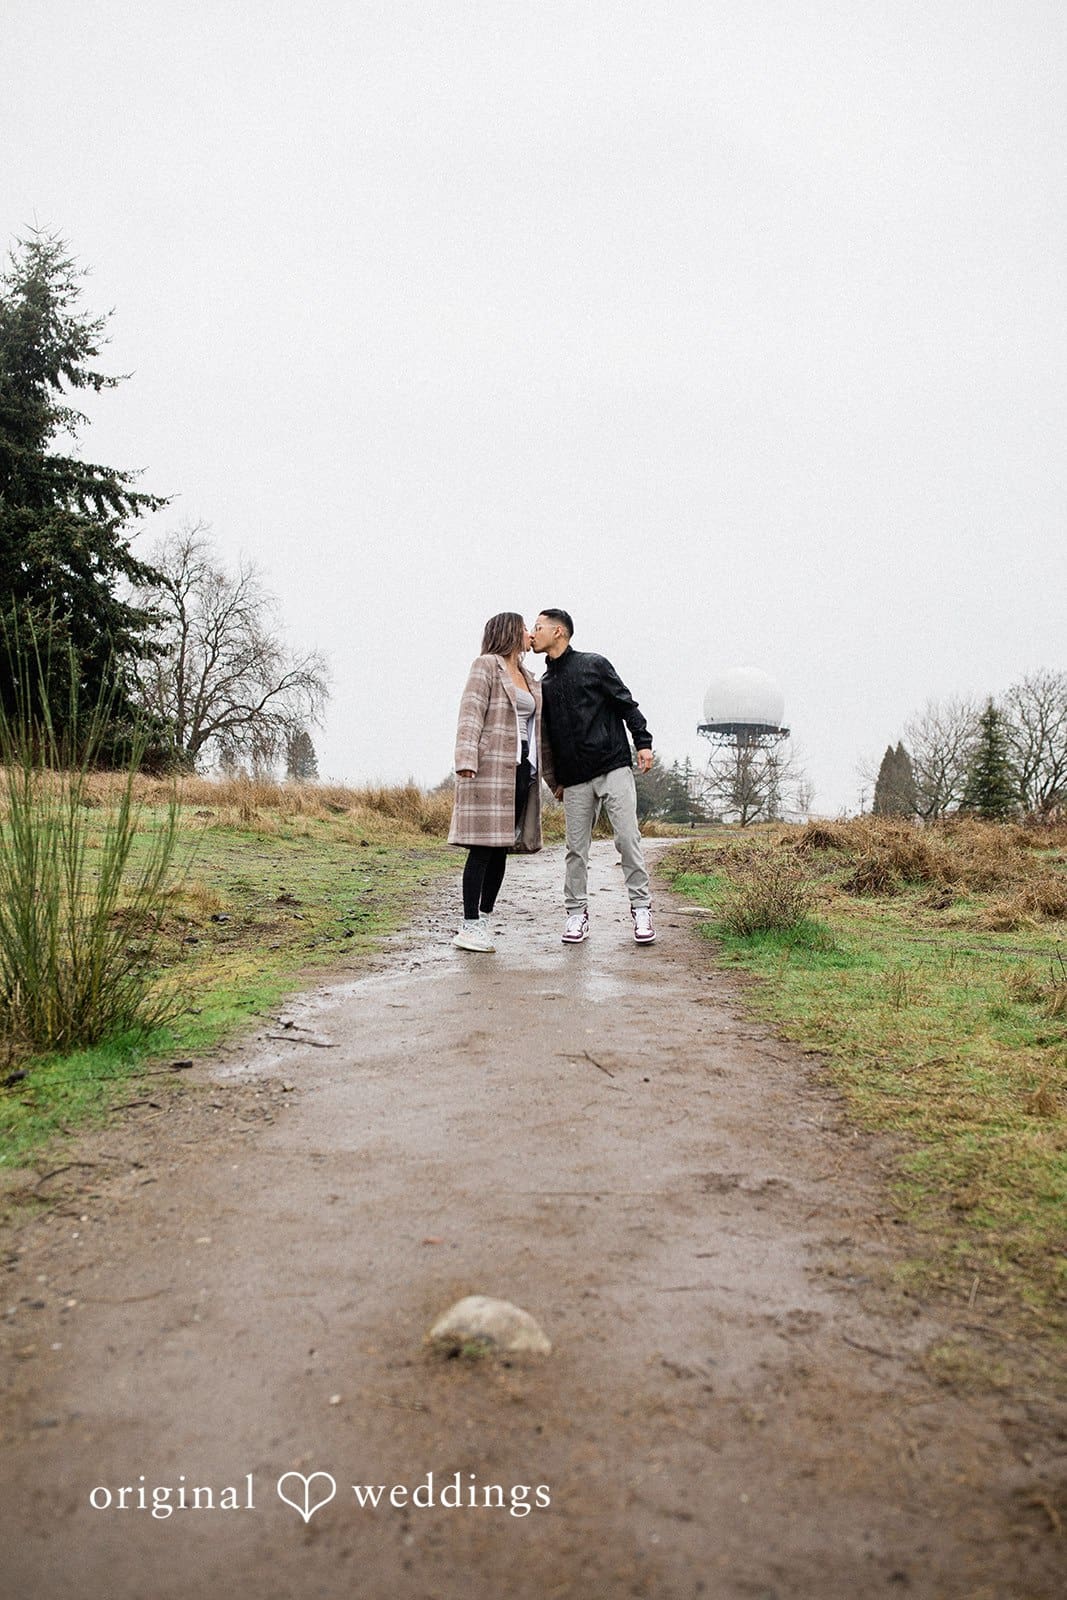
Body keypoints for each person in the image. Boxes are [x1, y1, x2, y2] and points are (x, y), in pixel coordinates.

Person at [530, 609, 656, 944]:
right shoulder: (543, 686)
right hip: (574, 780)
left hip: (612, 765)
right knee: (576, 850)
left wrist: (642, 742)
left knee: (627, 839)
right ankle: (576, 915)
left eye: (538, 627)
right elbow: (546, 741)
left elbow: (626, 703)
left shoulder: (594, 664)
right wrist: (554, 781)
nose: (533, 633)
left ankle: (641, 909)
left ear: (559, 632)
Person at [448, 613, 544, 952]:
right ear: (510, 631)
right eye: (525, 628)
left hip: (520, 769)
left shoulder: (529, 677)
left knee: (501, 845)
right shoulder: (486, 665)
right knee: (482, 846)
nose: (531, 634)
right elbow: (470, 712)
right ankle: (468, 925)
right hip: (488, 767)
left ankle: (484, 919)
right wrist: (465, 759)